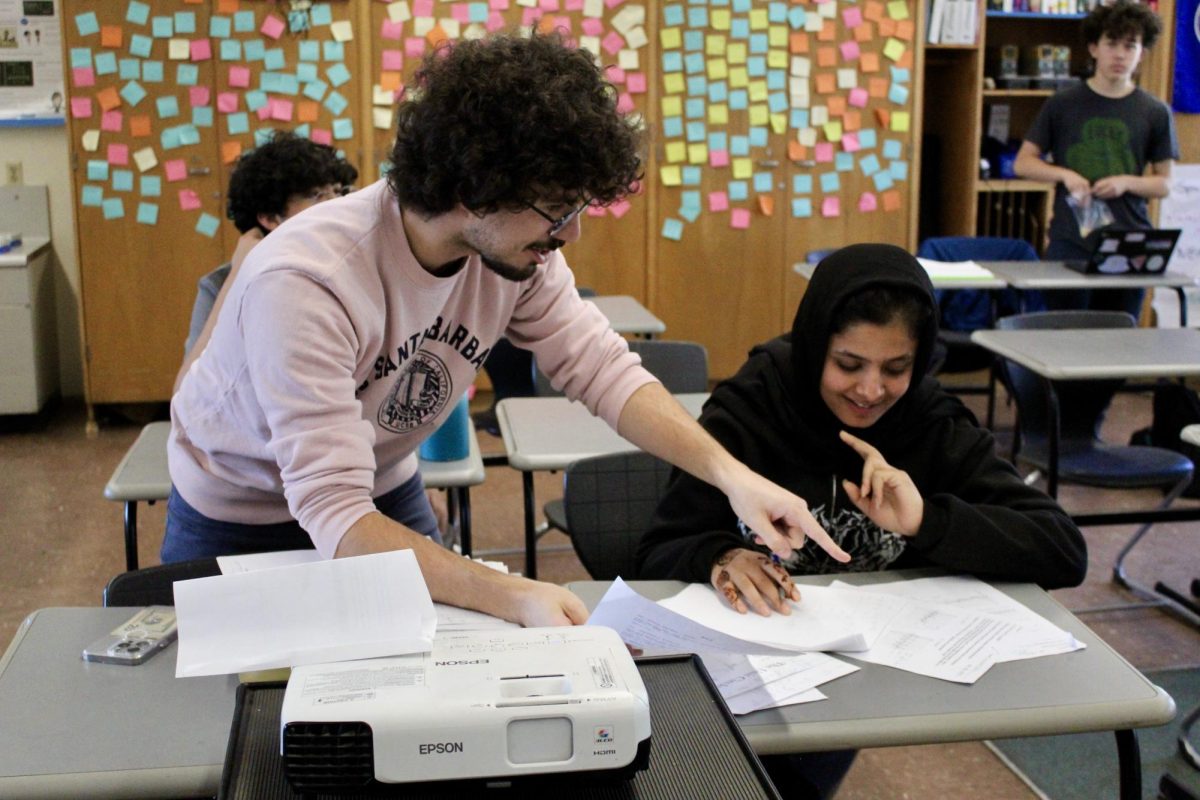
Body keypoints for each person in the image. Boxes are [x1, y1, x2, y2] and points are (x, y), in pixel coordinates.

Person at [165, 30, 849, 630]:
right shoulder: (310, 279)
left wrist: (731, 476)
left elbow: (603, 369)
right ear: (474, 186)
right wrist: (505, 588)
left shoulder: (515, 255)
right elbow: (330, 509)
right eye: (556, 209)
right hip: (240, 505)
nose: (572, 233)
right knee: (241, 726)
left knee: (416, 678)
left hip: (376, 485)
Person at [636, 243, 1086, 798]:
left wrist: (927, 521)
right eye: (848, 365)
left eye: (896, 369)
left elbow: (1063, 549)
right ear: (814, 345)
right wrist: (721, 554)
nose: (870, 391)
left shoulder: (930, 422)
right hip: (761, 676)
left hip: (879, 674)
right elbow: (657, 546)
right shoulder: (753, 407)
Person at [1013, 0, 1177, 320]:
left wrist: (1126, 182)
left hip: (1129, 241)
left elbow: (1164, 183)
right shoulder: (1063, 103)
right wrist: (1063, 175)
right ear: (1093, 48)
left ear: (1142, 54)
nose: (1120, 55)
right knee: (1064, 334)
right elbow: (1023, 163)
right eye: (1111, 44)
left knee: (1118, 339)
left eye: (1130, 46)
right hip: (1071, 239)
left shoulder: (1155, 112)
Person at [179, 130, 356, 362]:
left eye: (337, 190)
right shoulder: (220, 284)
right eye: (316, 195)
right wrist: (238, 276)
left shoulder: (354, 266)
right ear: (270, 218)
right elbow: (190, 389)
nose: (336, 203)